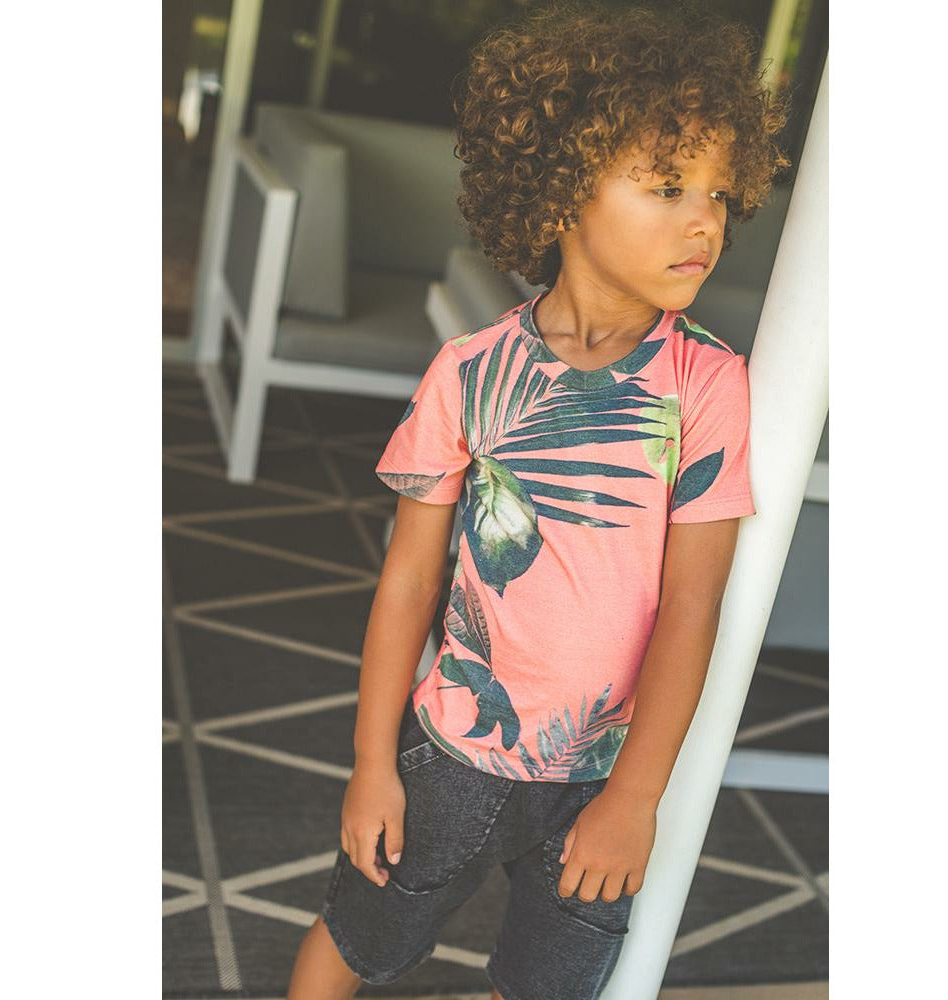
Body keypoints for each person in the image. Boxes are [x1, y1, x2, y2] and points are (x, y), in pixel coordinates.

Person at [286, 2, 790, 997]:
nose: (705, 220)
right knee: (357, 935)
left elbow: (692, 603)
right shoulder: (469, 372)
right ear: (562, 188)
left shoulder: (707, 385)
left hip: (600, 776)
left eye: (721, 196)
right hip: (453, 753)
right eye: (668, 186)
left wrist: (635, 796)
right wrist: (371, 762)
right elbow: (408, 581)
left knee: (547, 984)